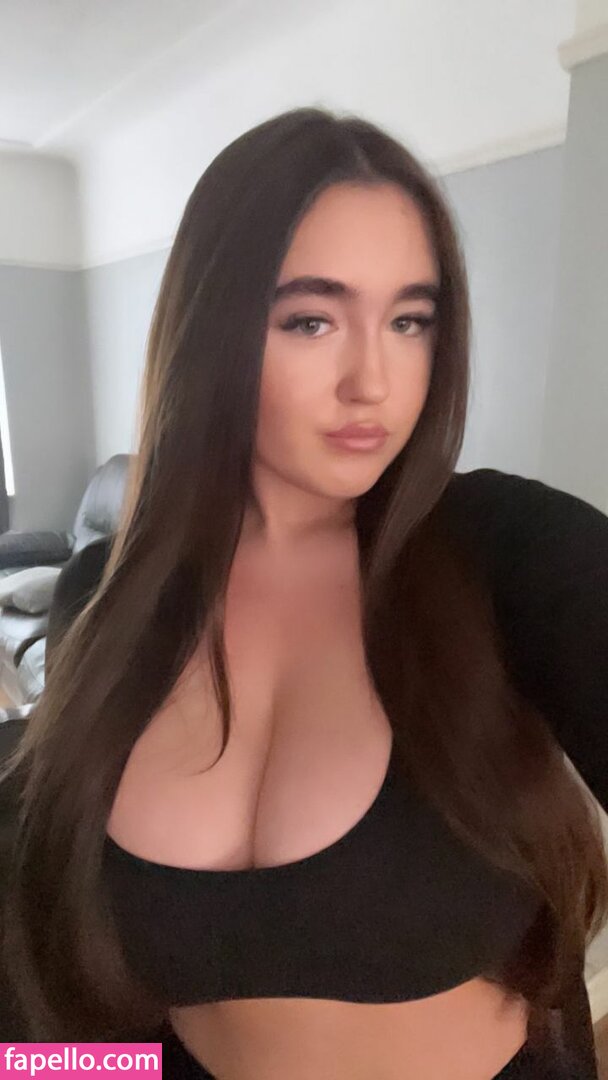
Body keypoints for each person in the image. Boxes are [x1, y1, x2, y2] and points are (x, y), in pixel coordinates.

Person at [0, 107, 606, 1080]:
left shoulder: (508, 552)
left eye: (409, 321)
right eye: (311, 320)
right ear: (213, 332)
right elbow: (59, 988)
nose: (373, 380)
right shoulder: (105, 599)